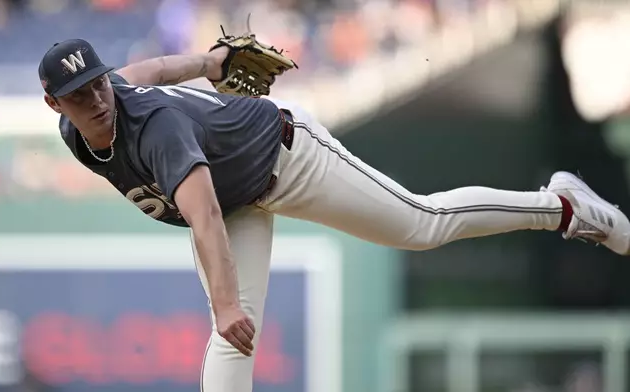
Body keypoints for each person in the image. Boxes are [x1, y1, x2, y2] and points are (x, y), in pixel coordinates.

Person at [39, 38, 630, 392]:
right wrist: (210, 62)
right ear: (54, 105)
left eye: (97, 83)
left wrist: (225, 304)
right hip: (237, 193)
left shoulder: (154, 129)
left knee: (421, 225)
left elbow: (206, 220)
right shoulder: (78, 128)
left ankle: (561, 206)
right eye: (79, 94)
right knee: (234, 338)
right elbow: (155, 70)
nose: (95, 97)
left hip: (287, 157)